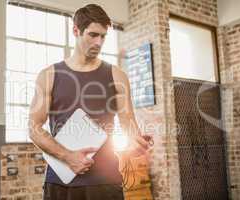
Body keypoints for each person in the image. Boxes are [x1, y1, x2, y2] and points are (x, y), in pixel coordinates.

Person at [28, 4, 152, 200]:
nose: (99, 42)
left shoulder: (117, 76)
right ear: (76, 31)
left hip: (106, 182)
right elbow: (34, 127)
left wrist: (136, 142)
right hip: (61, 181)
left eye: (103, 36)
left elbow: (128, 122)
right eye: (93, 35)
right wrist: (67, 157)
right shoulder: (49, 75)